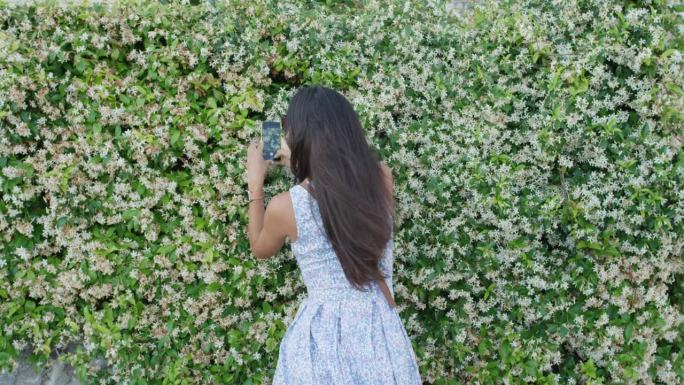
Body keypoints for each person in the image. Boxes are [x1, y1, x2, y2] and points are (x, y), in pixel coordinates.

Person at [245, 85, 422, 384]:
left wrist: (255, 184)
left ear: (299, 138)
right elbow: (337, 195)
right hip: (379, 329)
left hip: (323, 339)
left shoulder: (285, 206)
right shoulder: (381, 177)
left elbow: (260, 248)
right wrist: (299, 162)